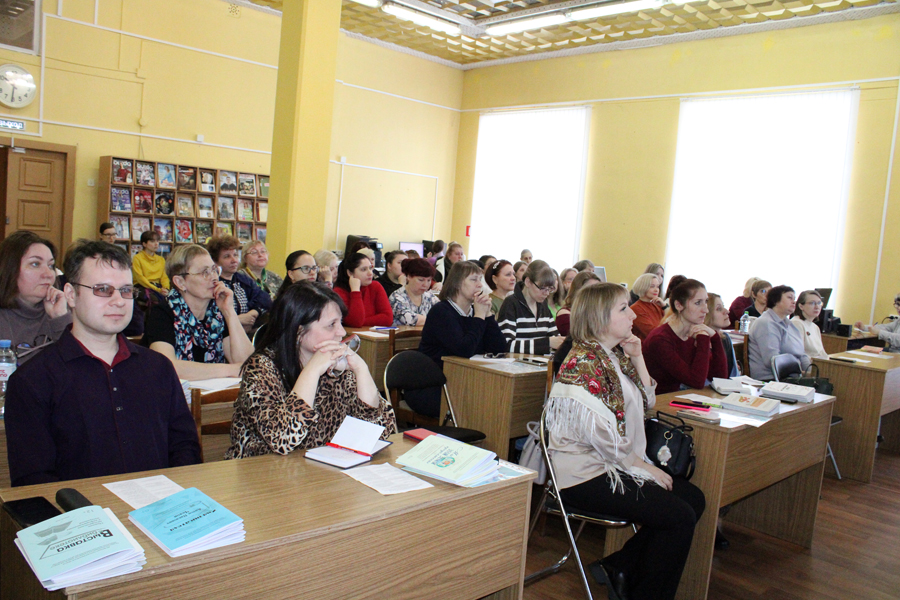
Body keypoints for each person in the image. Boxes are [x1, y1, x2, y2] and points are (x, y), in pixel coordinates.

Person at [547, 283, 705, 600]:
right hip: (584, 474)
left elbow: (648, 402)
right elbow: (601, 438)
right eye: (623, 309)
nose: (633, 315)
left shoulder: (613, 356)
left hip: (612, 463)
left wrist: (638, 357)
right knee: (679, 516)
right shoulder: (583, 363)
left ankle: (620, 566)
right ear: (599, 317)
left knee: (693, 500)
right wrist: (643, 466)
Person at [5, 241, 200, 486]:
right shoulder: (32, 380)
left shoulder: (158, 367)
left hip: (163, 505)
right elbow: (33, 481)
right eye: (103, 289)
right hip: (80, 508)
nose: (119, 301)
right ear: (71, 295)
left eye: (126, 290)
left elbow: (185, 447)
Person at [226, 282, 396, 459]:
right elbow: (283, 438)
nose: (341, 332)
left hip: (318, 468)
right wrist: (312, 370)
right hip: (263, 469)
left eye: (340, 322)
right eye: (331, 325)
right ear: (299, 331)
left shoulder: (336, 366)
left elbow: (378, 430)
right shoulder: (261, 368)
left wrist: (361, 370)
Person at [143, 244, 254, 380]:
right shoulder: (162, 313)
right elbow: (167, 367)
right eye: (205, 272)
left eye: (214, 270)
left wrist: (229, 311)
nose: (214, 278)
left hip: (214, 392)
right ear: (180, 282)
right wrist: (231, 369)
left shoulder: (217, 314)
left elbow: (249, 364)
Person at [644, 279, 728, 394]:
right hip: (658, 401)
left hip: (678, 397)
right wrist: (703, 338)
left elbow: (719, 378)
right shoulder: (660, 339)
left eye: (706, 302)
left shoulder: (692, 333)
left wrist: (715, 338)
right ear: (679, 305)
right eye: (698, 303)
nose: (706, 309)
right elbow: (696, 381)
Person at [0, 231, 71, 363]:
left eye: (51, 266)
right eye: (35, 264)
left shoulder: (62, 312)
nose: (48, 274)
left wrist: (60, 319)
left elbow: (80, 366)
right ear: (10, 269)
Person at [419, 260, 506, 366]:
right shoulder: (441, 311)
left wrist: (487, 314)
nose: (480, 285)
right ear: (457, 283)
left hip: (469, 370)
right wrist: (479, 316)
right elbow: (464, 350)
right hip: (441, 370)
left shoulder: (476, 310)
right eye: (474, 280)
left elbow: (499, 348)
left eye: (480, 280)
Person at [497, 260, 563, 354]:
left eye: (549, 289)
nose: (547, 293)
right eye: (542, 288)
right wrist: (547, 343)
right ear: (528, 282)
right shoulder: (511, 304)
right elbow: (506, 345)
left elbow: (555, 338)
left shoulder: (543, 305)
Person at [207, 235, 272, 332]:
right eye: (227, 256)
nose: (234, 260)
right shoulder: (211, 284)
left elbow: (265, 300)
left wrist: (252, 314)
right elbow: (207, 317)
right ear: (215, 261)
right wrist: (237, 320)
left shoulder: (243, 280)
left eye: (235, 255)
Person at [748, 285, 810, 381]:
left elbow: (802, 354)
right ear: (776, 300)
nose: (794, 302)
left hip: (792, 377)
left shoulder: (790, 325)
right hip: (771, 379)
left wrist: (811, 373)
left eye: (794, 299)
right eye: (789, 297)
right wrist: (799, 372)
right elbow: (772, 360)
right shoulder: (766, 323)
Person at [333, 252, 393, 327]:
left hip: (373, 333)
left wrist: (362, 321)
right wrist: (355, 291)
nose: (370, 273)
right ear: (350, 273)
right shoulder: (339, 292)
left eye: (370, 268)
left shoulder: (375, 286)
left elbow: (388, 318)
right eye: (364, 269)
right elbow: (356, 322)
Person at [389, 258, 439, 326]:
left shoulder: (431, 298)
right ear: (409, 277)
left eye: (429, 280)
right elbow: (411, 320)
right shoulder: (396, 297)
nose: (425, 284)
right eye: (421, 280)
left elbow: (445, 316)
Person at [555, 271, 601, 337]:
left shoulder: (598, 312)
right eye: (590, 290)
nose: (596, 294)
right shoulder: (565, 314)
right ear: (578, 291)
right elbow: (583, 338)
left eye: (599, 290)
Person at [706, 292, 739, 377]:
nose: (727, 311)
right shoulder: (696, 340)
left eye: (723, 306)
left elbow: (733, 375)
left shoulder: (725, 338)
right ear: (706, 314)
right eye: (719, 309)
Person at [132, 230, 171, 297]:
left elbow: (164, 277)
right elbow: (140, 278)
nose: (156, 244)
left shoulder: (161, 259)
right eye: (152, 241)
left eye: (157, 241)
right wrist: (157, 290)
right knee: (154, 299)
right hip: (143, 286)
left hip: (158, 286)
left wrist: (166, 288)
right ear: (144, 244)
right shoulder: (137, 258)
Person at [792, 290, 829, 360]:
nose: (817, 307)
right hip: (806, 364)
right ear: (801, 306)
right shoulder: (796, 323)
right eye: (812, 303)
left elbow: (822, 353)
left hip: (818, 363)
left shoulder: (815, 327)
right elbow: (798, 353)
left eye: (819, 303)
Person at [630, 273, 665, 341]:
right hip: (647, 345)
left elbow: (671, 322)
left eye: (657, 286)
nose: (656, 290)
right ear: (643, 287)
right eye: (652, 286)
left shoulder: (657, 305)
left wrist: (665, 307)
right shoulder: (636, 308)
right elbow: (653, 333)